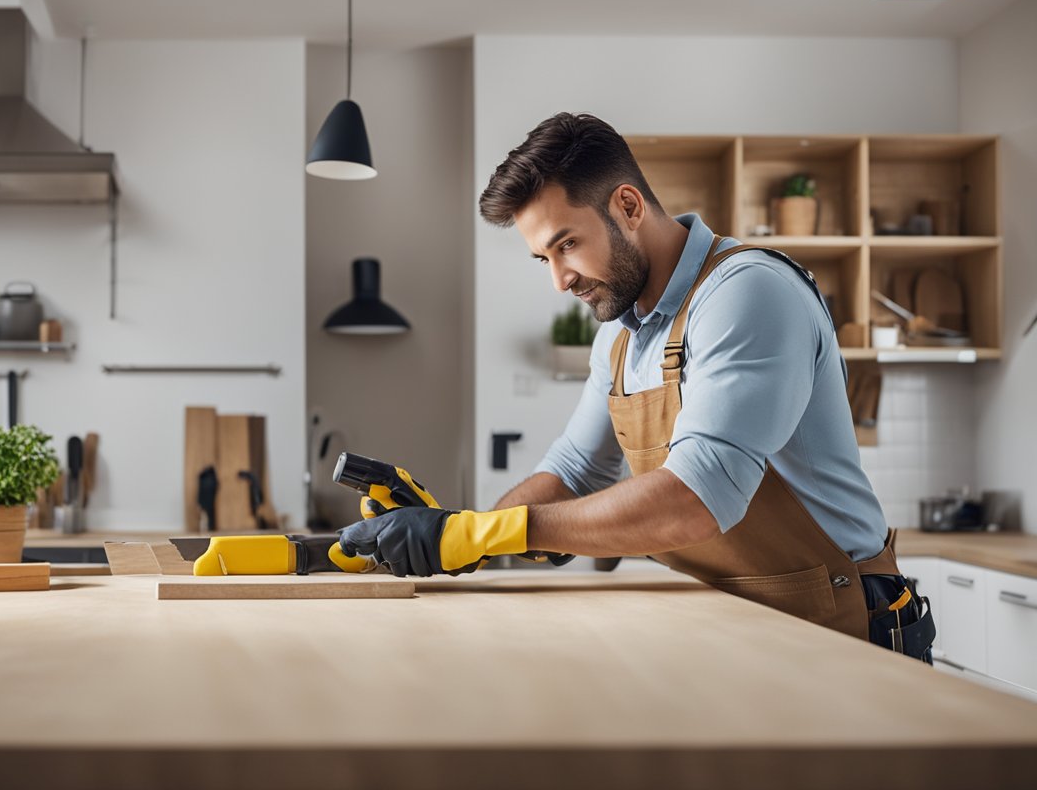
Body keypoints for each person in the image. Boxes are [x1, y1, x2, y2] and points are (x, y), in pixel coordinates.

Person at [338, 112, 935, 659]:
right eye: (543, 259)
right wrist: (456, 535)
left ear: (627, 205)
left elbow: (697, 498)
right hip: (737, 622)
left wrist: (480, 534)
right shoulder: (620, 336)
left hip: (843, 622)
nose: (560, 280)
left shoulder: (747, 293)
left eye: (566, 245)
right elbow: (573, 472)